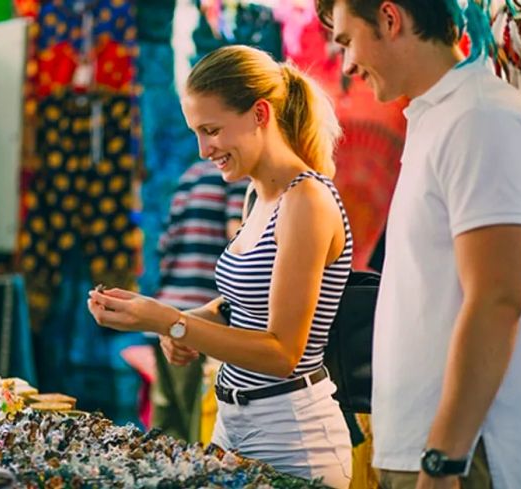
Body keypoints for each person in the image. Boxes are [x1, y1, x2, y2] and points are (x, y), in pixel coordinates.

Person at [316, 1, 521, 488]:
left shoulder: (480, 119)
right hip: (438, 452)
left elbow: (497, 298)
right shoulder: (443, 116)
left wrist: (443, 458)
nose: (345, 64)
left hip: (471, 457)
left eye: (346, 40)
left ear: (390, 18)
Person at [89, 44, 353, 487]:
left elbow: (283, 353)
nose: (203, 149)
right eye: (196, 132)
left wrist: (173, 323)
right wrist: (167, 319)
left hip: (291, 438)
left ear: (259, 114)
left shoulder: (305, 200)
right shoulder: (257, 194)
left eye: (211, 130)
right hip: (234, 423)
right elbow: (238, 305)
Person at [152, 159, 248, 443]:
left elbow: (164, 246)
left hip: (168, 312)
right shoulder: (236, 178)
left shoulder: (189, 175)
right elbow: (239, 237)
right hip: (202, 317)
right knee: (197, 434)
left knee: (167, 434)